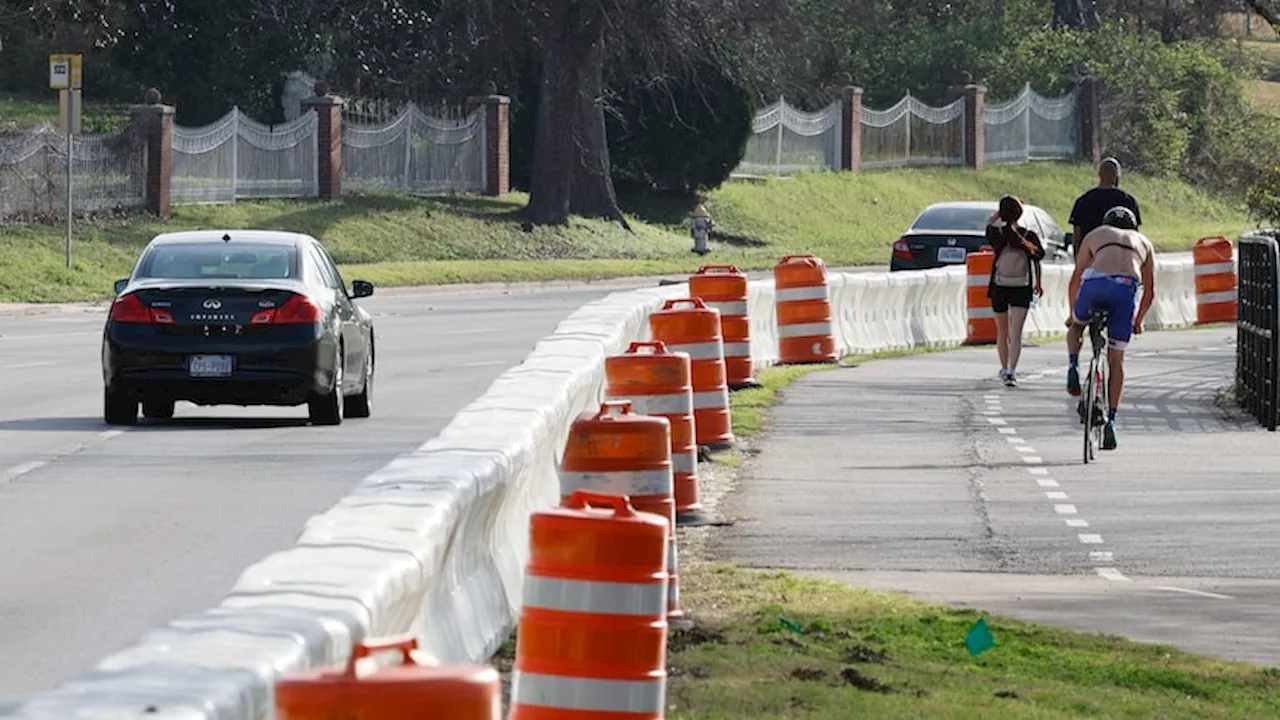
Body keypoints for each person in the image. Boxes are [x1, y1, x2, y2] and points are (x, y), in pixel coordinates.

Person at [1065, 206, 1156, 451]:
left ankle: (1073, 365)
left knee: (1076, 327)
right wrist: (1138, 320)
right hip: (1125, 288)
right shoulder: (1144, 242)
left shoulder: (1096, 234)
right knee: (1117, 361)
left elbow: (1076, 278)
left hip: (1095, 284)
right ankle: (1111, 423)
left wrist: (1071, 314)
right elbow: (1150, 291)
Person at [985, 195, 1046, 387]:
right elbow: (1037, 258)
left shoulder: (997, 235)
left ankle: (1004, 367)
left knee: (1002, 331)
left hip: (1000, 285)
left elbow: (988, 228)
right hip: (1022, 286)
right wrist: (1039, 283)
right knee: (1016, 331)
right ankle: (1012, 370)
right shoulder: (1029, 236)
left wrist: (993, 218)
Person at [1068, 157, 1142, 257]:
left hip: (1091, 260)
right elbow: (1135, 237)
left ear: (1099, 174)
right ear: (1117, 175)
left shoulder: (1083, 201)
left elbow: (1077, 238)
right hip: (1121, 259)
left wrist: (1078, 264)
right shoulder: (1128, 201)